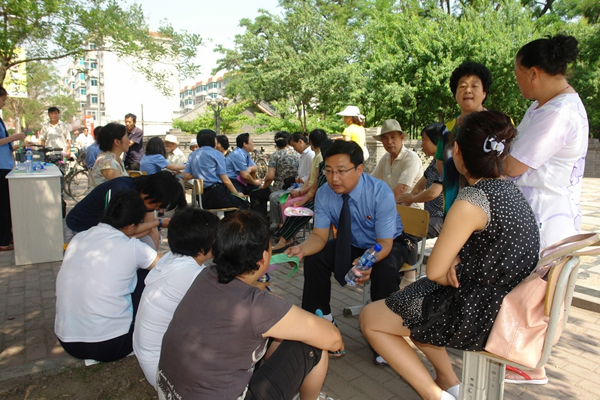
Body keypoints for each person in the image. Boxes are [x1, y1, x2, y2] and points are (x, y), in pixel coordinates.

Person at [359, 111, 540, 400]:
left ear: (456, 152)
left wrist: (451, 263)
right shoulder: (512, 192)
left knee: (371, 318)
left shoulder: (472, 199)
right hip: (507, 300)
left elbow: (435, 272)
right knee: (413, 299)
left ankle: (435, 395)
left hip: (481, 312)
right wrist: (455, 260)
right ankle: (447, 379)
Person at [157, 211, 343, 399]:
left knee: (281, 335)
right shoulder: (257, 306)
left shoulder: (206, 275)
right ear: (263, 257)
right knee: (312, 346)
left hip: (169, 391)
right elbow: (333, 338)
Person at [502, 35, 589, 385]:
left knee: (536, 294)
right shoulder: (544, 104)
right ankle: (517, 356)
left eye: (518, 74)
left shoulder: (559, 113)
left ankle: (530, 364)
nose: (518, 82)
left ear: (534, 73)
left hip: (547, 217)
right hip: (537, 213)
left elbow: (513, 165)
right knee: (530, 291)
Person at [285, 140, 409, 327]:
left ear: (359, 169)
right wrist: (301, 249)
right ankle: (321, 321)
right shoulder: (324, 193)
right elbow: (319, 236)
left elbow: (384, 242)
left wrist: (368, 261)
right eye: (328, 171)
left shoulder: (379, 192)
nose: (334, 178)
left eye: (341, 171)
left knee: (384, 269)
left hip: (388, 244)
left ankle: (385, 327)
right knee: (314, 257)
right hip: (351, 243)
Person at [55, 190, 161, 362]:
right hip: (110, 345)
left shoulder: (79, 238)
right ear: (130, 226)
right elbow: (166, 269)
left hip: (68, 342)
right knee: (148, 273)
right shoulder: (133, 247)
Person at [133, 207, 219, 388]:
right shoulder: (193, 275)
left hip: (150, 358)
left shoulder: (171, 258)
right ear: (201, 248)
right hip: (165, 372)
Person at [371, 119, 423, 289]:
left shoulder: (411, 158)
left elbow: (401, 189)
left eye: (393, 137)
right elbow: (372, 181)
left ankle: (409, 277)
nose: (389, 142)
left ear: (401, 138)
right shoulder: (385, 158)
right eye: (385, 138)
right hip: (391, 211)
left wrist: (380, 207)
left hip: (411, 212)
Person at [435, 62, 492, 214]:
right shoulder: (447, 129)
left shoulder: (498, 124)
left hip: (488, 208)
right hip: (453, 206)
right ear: (455, 94)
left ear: (484, 92)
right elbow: (440, 167)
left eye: (474, 86)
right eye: (462, 86)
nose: (468, 90)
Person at [65, 171, 185, 241]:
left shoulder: (145, 195)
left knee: (151, 233)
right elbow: (123, 231)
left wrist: (150, 226)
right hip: (80, 231)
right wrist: (157, 222)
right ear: (149, 191)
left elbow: (144, 227)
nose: (154, 209)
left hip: (107, 233)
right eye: (155, 204)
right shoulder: (121, 192)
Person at [272, 139, 333, 253]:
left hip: (327, 203)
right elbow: (314, 187)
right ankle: (284, 240)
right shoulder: (322, 165)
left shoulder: (333, 169)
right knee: (295, 212)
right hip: (316, 201)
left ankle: (284, 241)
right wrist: (302, 201)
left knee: (297, 214)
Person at [400, 123, 446, 238]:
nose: (421, 144)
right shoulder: (434, 163)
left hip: (442, 218)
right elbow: (419, 187)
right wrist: (405, 205)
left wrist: (412, 198)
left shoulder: (445, 163)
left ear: (437, 140)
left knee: (408, 232)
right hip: (428, 216)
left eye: (424, 139)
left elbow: (433, 192)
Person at [184, 129, 249, 210]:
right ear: (213, 140)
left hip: (202, 198)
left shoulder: (192, 155)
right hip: (217, 194)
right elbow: (225, 180)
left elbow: (186, 176)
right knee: (244, 203)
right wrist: (237, 193)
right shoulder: (217, 154)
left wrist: (201, 172)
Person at [281, 129, 328, 223]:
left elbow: (315, 185)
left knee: (286, 204)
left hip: (313, 195)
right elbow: (310, 178)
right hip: (308, 191)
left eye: (294, 146)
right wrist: (300, 192)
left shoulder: (319, 157)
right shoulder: (316, 155)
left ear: (311, 142)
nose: (294, 149)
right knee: (286, 199)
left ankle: (289, 229)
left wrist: (301, 194)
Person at [0, 86, 26, 251]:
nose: (4, 103)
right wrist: (14, 137)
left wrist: (19, 144)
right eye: (3, 100)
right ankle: (3, 241)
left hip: (6, 165)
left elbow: (5, 146)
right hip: (1, 167)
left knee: (6, 204)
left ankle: (7, 236)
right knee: (3, 206)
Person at [257, 131, 300, 229]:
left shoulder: (275, 155)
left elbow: (270, 177)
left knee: (259, 194)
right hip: (297, 187)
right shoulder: (297, 154)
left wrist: (263, 186)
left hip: (280, 188)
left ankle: (267, 222)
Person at [226, 132, 266, 217]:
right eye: (251, 141)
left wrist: (249, 169)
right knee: (241, 201)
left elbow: (255, 167)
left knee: (260, 192)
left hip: (243, 182)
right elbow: (245, 175)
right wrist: (255, 182)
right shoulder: (237, 154)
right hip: (234, 182)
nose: (253, 144)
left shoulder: (246, 154)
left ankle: (260, 218)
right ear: (245, 144)